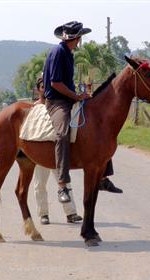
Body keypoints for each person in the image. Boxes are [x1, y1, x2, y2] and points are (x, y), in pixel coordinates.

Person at [43, 21, 122, 204]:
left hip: (70, 99)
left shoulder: (69, 54)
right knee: (62, 134)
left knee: (99, 128)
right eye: (80, 38)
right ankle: (62, 185)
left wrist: (79, 96)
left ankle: (103, 177)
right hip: (57, 102)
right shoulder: (58, 52)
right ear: (77, 38)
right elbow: (55, 83)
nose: (80, 41)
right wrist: (76, 96)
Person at [33, 77, 83, 224]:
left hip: (56, 150)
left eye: (46, 86)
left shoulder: (57, 107)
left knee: (63, 180)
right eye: (41, 86)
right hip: (40, 151)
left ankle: (71, 213)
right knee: (40, 184)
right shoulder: (35, 108)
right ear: (38, 89)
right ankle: (43, 214)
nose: (44, 88)